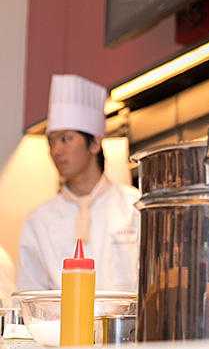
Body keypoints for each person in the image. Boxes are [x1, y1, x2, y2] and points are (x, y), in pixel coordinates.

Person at [16, 74, 140, 292]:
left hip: (126, 327)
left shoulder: (135, 207)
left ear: (94, 143)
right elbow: (28, 298)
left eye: (66, 138)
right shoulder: (38, 221)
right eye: (51, 142)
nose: (56, 151)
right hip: (58, 327)